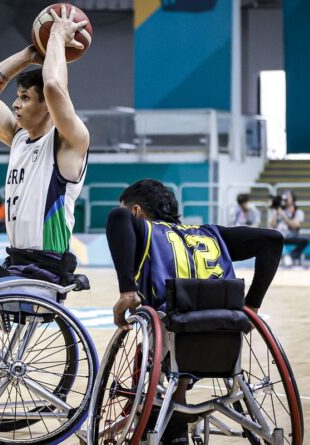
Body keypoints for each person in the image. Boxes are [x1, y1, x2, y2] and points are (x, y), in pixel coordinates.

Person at [105, 179, 284, 444]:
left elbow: (118, 216)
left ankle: (166, 418)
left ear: (136, 212)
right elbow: (273, 239)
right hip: (224, 332)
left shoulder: (147, 231)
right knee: (179, 332)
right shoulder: (210, 233)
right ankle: (176, 410)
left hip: (175, 332)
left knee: (163, 332)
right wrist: (251, 305)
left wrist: (127, 290)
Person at [0, 5, 89, 278]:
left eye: (24, 97)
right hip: (16, 260)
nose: (15, 103)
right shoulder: (19, 137)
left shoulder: (68, 141)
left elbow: (54, 87)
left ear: (47, 106)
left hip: (47, 265)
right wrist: (28, 55)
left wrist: (57, 35)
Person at [268, 190, 309, 266]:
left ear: (293, 199)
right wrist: (276, 210)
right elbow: (272, 225)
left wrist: (283, 215)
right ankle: (275, 258)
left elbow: (294, 226)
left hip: (290, 236)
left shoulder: (297, 212)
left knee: (306, 240)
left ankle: (291, 256)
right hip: (278, 235)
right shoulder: (277, 210)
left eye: (288, 197)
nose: (285, 199)